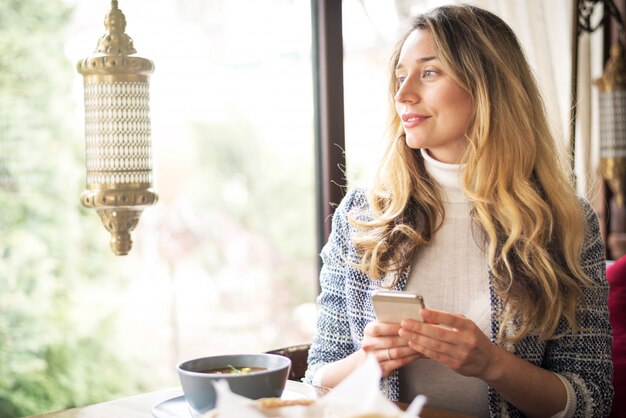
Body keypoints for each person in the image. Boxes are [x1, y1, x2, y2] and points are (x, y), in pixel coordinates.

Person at [303, 4, 613, 418]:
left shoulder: (564, 222)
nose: (403, 94)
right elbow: (316, 381)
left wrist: (493, 365)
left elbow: (592, 399)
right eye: (400, 77)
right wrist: (369, 360)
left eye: (429, 72)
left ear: (488, 85)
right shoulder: (362, 214)